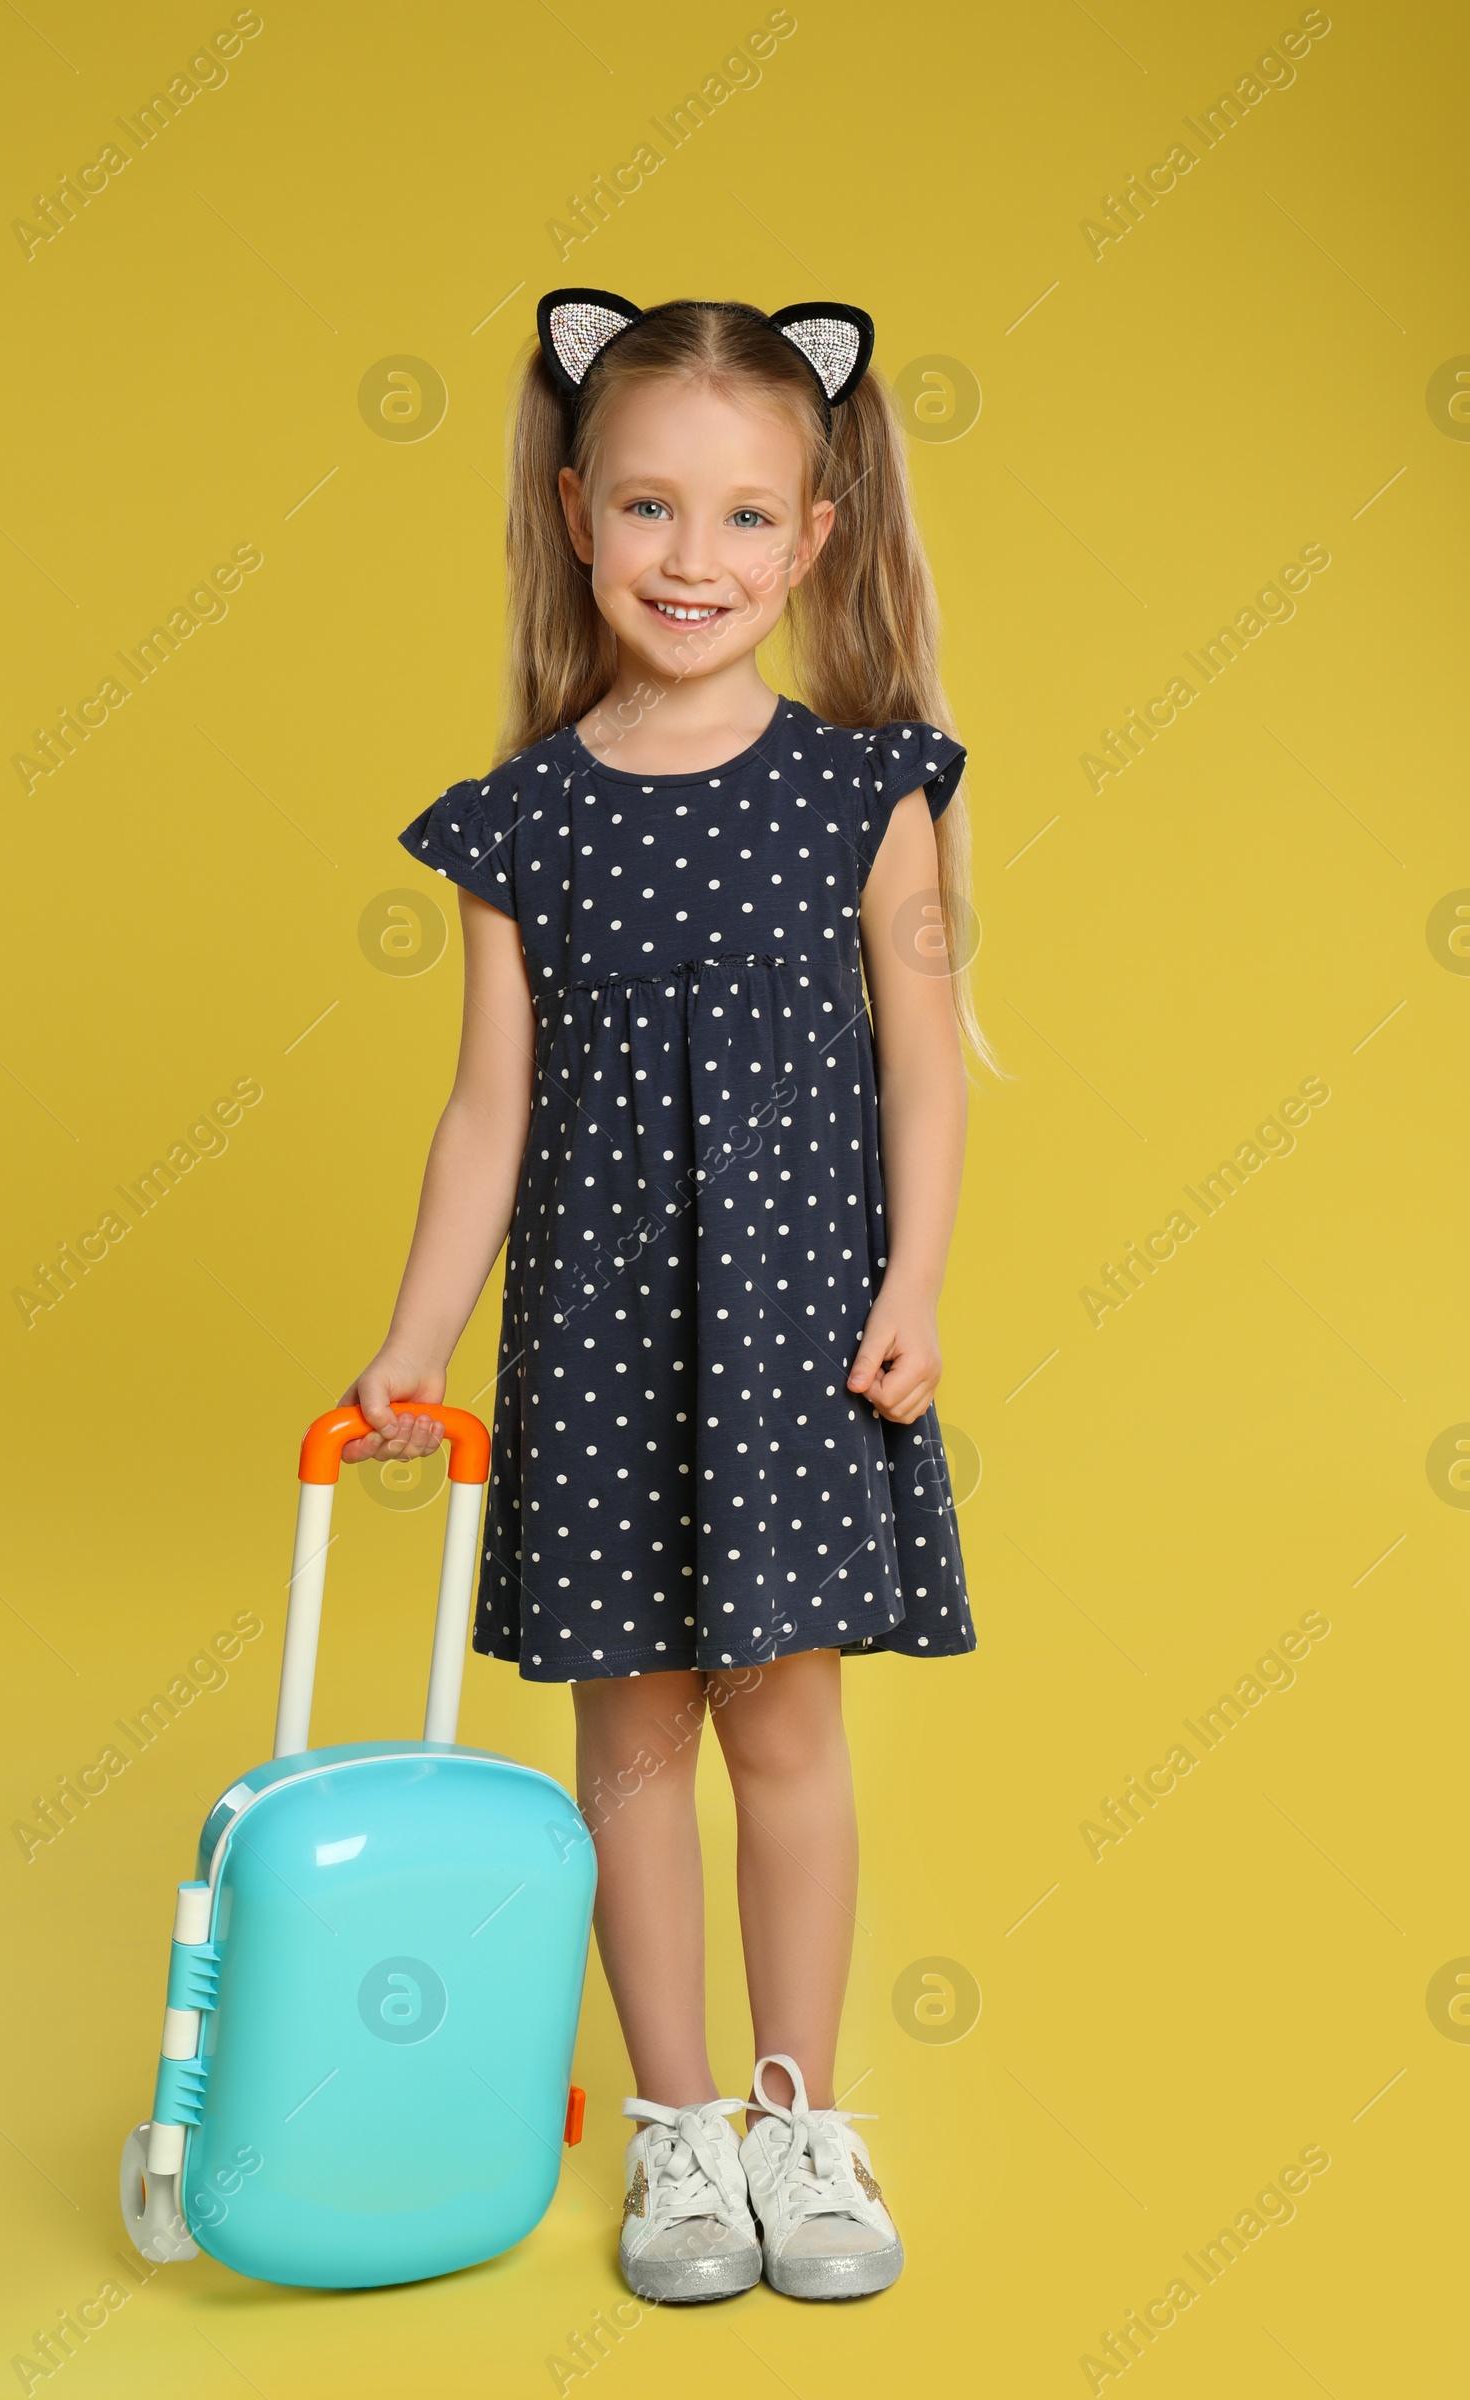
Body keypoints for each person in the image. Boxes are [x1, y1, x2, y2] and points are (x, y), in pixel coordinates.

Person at [341, 288, 991, 2303]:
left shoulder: (865, 792)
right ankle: (679, 2134)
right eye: (645, 508)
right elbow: (481, 1119)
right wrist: (415, 1339)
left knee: (784, 1735)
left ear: (809, 539)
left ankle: (803, 2122)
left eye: (735, 518)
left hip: (799, 1338)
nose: (687, 559)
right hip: (607, 1350)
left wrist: (912, 1282)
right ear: (572, 515)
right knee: (627, 1749)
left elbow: (924, 1053)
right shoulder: (521, 824)